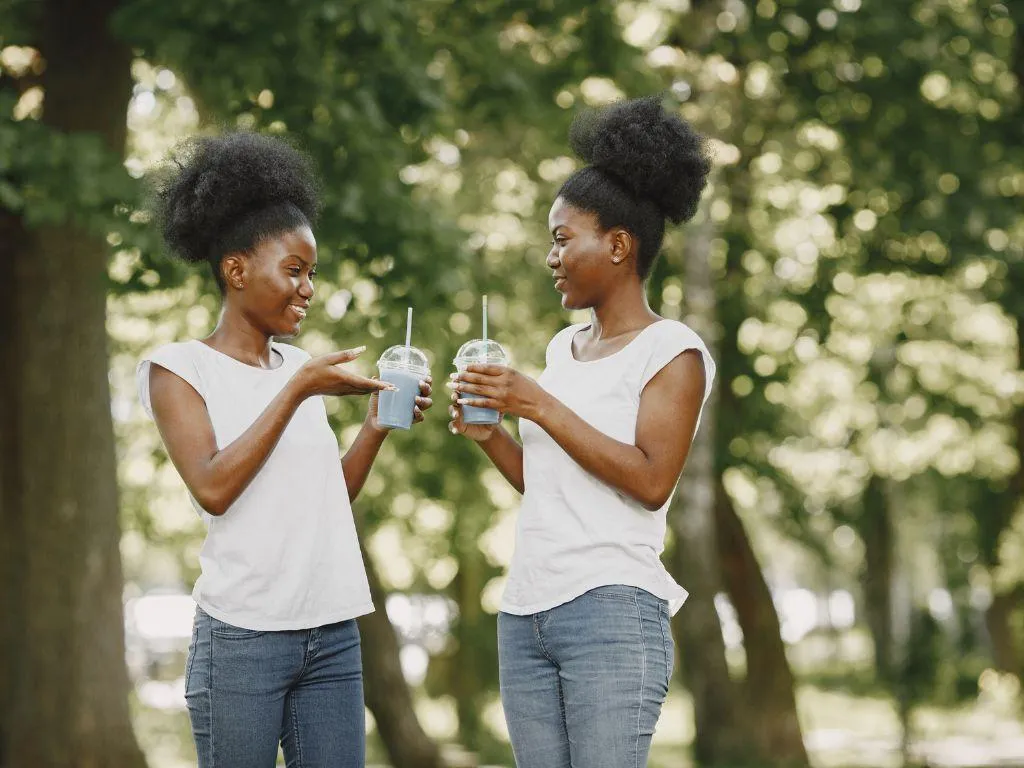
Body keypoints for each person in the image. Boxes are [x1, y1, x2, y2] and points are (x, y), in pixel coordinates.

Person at [136, 132, 433, 768]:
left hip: (331, 633)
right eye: (293, 271)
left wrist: (375, 425)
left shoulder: (299, 367)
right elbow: (214, 488)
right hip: (243, 639)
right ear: (236, 270)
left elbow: (330, 497)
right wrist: (297, 390)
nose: (308, 289)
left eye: (311, 274)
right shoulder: (178, 369)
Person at [447, 96, 715, 767]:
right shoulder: (562, 350)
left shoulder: (672, 351)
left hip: (611, 610)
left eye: (563, 239)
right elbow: (547, 483)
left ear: (618, 245)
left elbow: (651, 482)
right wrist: (491, 435)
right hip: (526, 612)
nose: (551, 257)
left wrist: (537, 405)